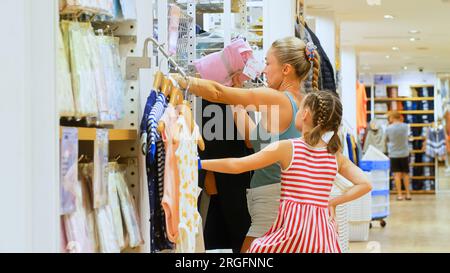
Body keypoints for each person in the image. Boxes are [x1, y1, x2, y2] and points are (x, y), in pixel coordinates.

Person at [175, 37, 321, 252]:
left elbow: (218, 93)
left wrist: (182, 81)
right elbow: (253, 140)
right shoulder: (302, 101)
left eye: (268, 63)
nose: (264, 69)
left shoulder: (277, 98)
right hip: (284, 197)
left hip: (272, 201)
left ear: (287, 69)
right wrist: (237, 91)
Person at [201, 91, 372, 253]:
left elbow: (238, 165)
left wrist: (201, 164)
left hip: (293, 233)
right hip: (323, 236)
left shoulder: (288, 148)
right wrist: (332, 202)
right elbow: (365, 184)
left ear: (304, 114)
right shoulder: (335, 156)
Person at [385, 111, 411, 201]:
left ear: (392, 117)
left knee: (396, 175)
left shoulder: (388, 128)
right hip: (404, 153)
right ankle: (408, 194)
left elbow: (386, 139)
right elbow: (410, 138)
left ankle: (399, 195)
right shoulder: (406, 126)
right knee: (406, 174)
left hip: (393, 154)